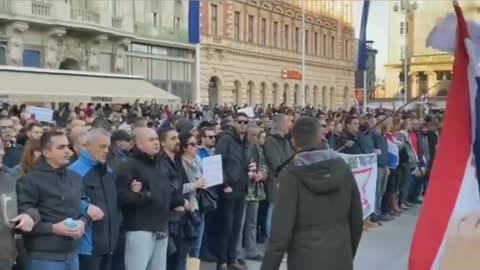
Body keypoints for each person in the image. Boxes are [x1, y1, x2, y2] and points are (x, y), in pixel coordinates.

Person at [261, 117, 363, 270]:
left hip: (304, 259)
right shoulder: (342, 167)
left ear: (294, 142)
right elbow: (356, 218)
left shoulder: (290, 175)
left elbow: (279, 236)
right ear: (320, 136)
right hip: (340, 256)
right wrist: (349, 253)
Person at [17, 131, 88, 270]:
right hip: (43, 257)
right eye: (61, 147)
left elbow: (84, 206)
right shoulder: (29, 181)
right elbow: (24, 221)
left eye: (68, 146)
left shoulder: (75, 178)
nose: (68, 151)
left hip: (73, 255)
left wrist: (83, 222)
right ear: (47, 152)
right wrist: (53, 228)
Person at [116, 128, 183, 270]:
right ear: (139, 144)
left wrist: (177, 202)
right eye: (151, 140)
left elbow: (169, 189)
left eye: (156, 139)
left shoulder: (161, 164)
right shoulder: (129, 165)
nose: (156, 143)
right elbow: (121, 196)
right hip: (140, 229)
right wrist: (143, 195)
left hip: (161, 227)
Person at [69, 129, 121, 270]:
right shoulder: (74, 171)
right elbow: (66, 199)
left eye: (108, 147)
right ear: (87, 145)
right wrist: (85, 207)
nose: (105, 151)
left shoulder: (108, 171)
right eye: (101, 146)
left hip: (108, 244)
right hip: (87, 247)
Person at [0, 137, 40, 270]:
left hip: (6, 261)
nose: (2, 152)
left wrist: (29, 216)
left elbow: (30, 208)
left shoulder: (13, 178)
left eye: (1, 147)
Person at [263, 114, 293, 240]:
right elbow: (276, 163)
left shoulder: (285, 140)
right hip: (275, 180)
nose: (290, 125)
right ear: (281, 125)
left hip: (286, 179)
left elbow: (290, 158)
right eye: (288, 122)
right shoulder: (270, 141)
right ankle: (272, 240)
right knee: (273, 210)